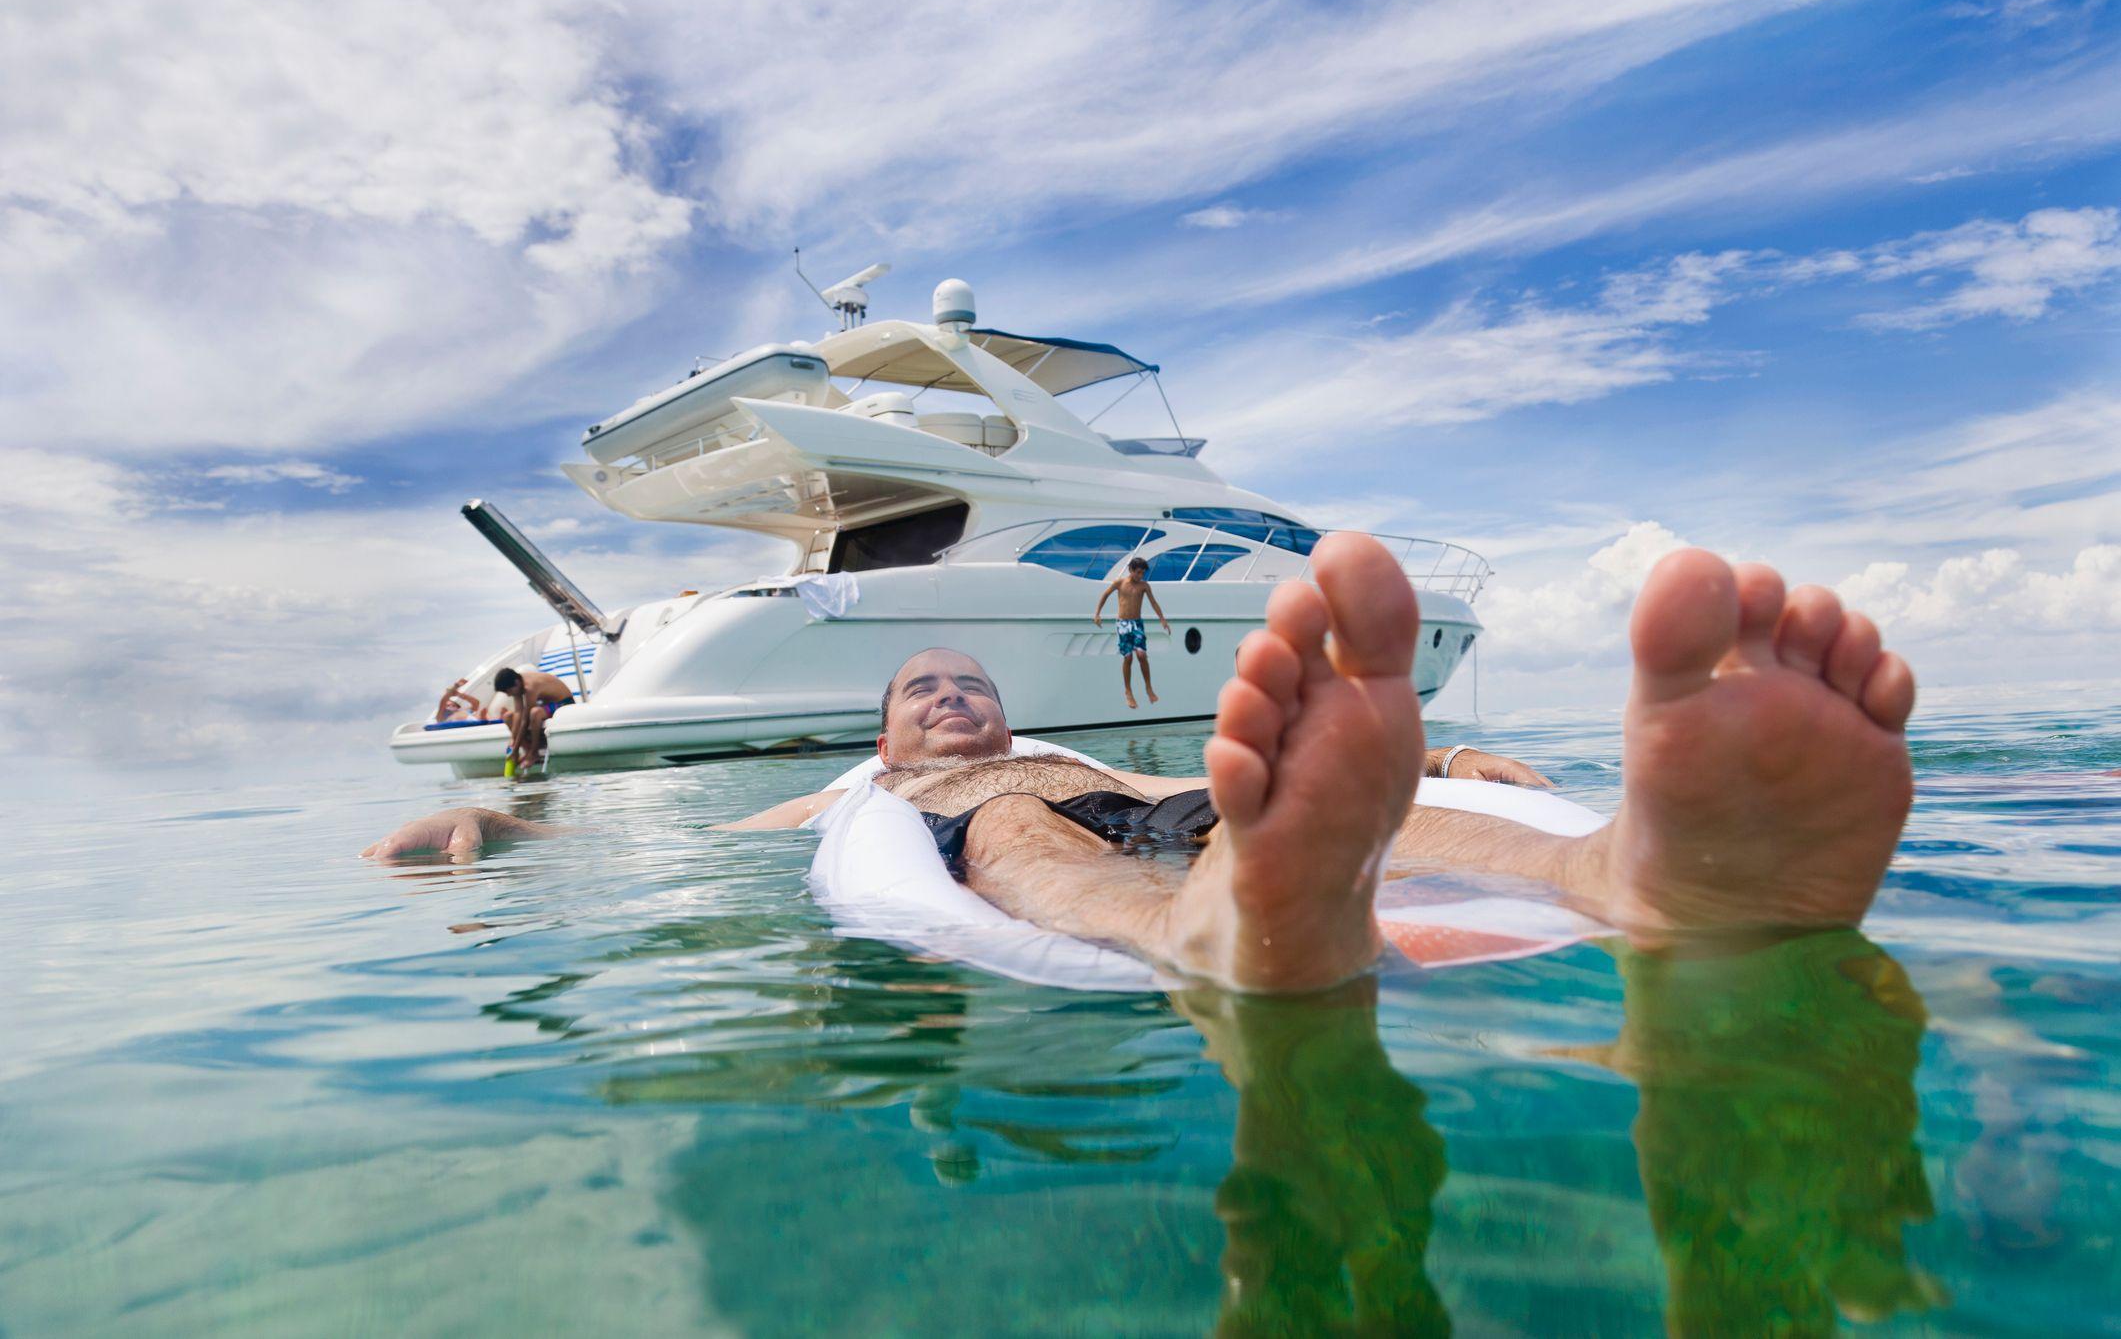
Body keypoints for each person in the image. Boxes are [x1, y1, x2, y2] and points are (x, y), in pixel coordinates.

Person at [367, 533, 1917, 996]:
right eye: (926, 689)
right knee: (1039, 838)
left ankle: (1627, 872)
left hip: (1171, 804)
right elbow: (661, 850)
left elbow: (1267, 774)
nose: (957, 698)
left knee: (1322, 796)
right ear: (886, 729)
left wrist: (1462, 761)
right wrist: (494, 827)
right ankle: (1201, 928)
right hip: (1036, 843)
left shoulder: (1046, 736)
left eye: (970, 682)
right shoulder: (876, 791)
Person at [1094, 556, 1171, 708]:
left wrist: (1162, 619)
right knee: (1128, 658)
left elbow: (1153, 602)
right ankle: (1128, 691)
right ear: (1130, 570)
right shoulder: (1120, 583)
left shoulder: (1144, 586)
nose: (1140, 576)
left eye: (1142, 573)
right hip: (1122, 623)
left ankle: (1148, 687)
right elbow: (1105, 595)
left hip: (1137, 624)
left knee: (1141, 655)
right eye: (1138, 572)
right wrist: (1097, 613)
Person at [490, 665, 576, 770]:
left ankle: (533, 752)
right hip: (547, 704)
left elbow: (524, 721)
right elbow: (518, 713)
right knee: (508, 717)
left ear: (516, 683)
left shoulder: (529, 687)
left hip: (564, 703)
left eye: (508, 692)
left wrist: (515, 748)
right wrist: (513, 741)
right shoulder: (517, 683)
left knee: (535, 713)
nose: (508, 695)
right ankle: (527, 750)